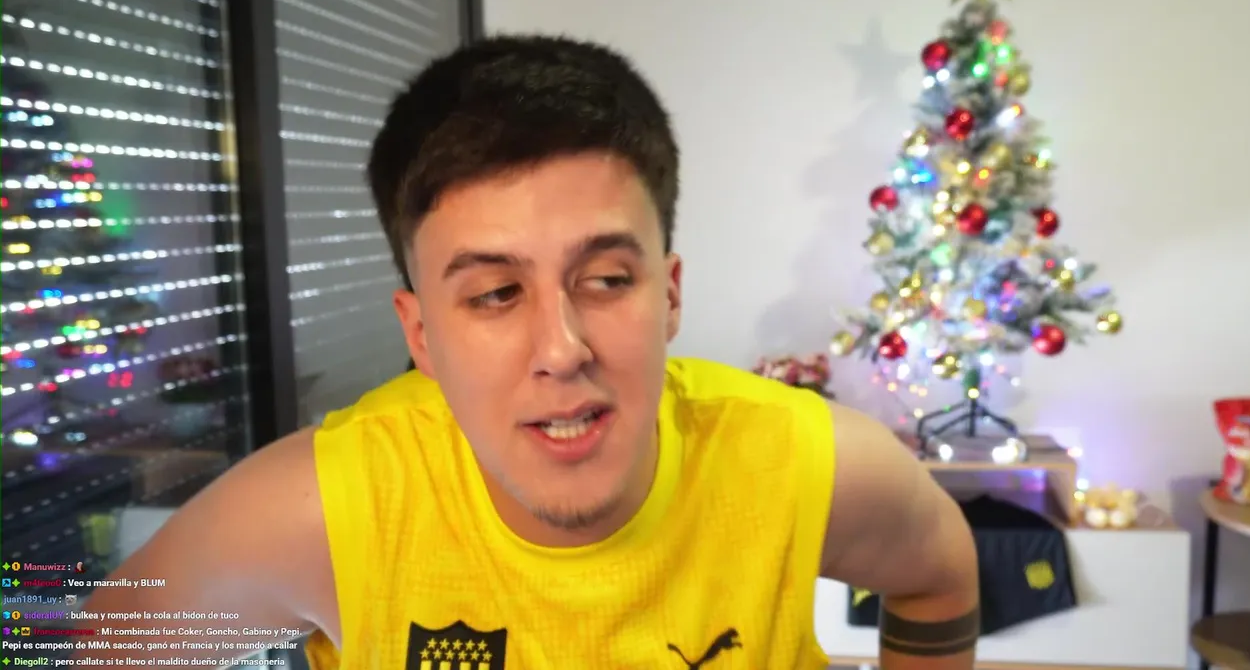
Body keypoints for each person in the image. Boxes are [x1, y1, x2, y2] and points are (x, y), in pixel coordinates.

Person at [78, 35, 979, 668]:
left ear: (669, 294)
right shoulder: (327, 511)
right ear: (421, 334)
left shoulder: (805, 465)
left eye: (607, 279)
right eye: (495, 294)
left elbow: (939, 574)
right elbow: (105, 650)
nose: (561, 348)